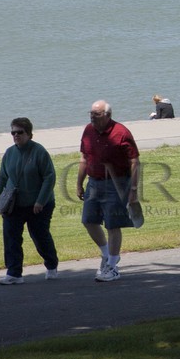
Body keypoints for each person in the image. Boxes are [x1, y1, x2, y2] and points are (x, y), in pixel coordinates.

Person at [78, 100, 140, 283]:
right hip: (94, 182)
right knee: (89, 221)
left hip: (117, 183)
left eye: (96, 114)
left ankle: (112, 266)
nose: (92, 117)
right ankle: (107, 254)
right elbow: (83, 158)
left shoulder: (121, 133)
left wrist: (134, 190)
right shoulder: (88, 130)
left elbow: (135, 161)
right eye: (91, 113)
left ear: (108, 115)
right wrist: (79, 183)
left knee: (113, 224)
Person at [0, 117, 59, 284]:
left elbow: (49, 177)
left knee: (40, 236)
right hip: (13, 204)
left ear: (29, 134)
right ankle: (14, 273)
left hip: (38, 204)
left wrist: (40, 201)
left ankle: (51, 264)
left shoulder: (39, 152)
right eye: (13, 132)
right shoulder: (9, 153)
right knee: (11, 236)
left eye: (20, 132)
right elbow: (2, 178)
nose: (16, 135)